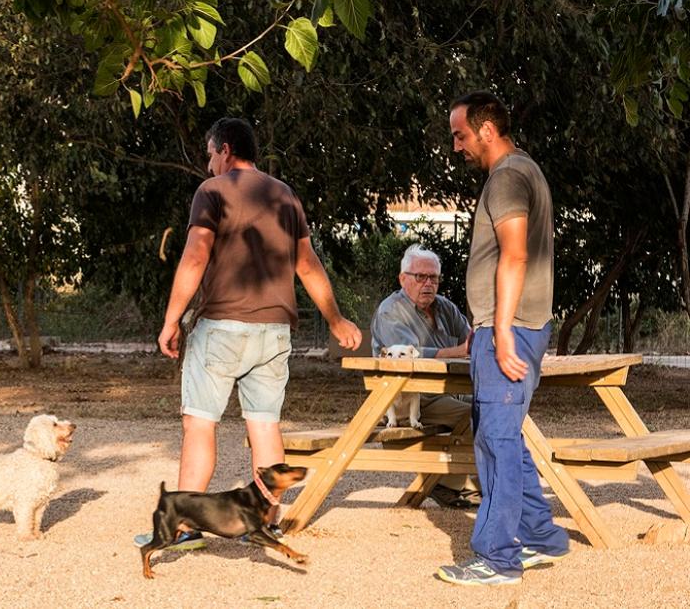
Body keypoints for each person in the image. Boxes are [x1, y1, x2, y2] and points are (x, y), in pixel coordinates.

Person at [136, 117, 362, 551]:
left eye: (209, 155)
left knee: (200, 424)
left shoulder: (212, 192)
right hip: (274, 331)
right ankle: (267, 522)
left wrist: (170, 320)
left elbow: (195, 255)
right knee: (264, 426)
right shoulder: (284, 194)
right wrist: (336, 320)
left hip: (221, 326)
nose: (207, 165)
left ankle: (183, 526)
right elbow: (308, 264)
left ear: (224, 150)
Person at [436, 92, 569, 586]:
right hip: (503, 323)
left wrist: (504, 331)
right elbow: (505, 261)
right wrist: (484, 320)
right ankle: (538, 535)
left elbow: (514, 256)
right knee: (504, 433)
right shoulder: (522, 171)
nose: (457, 147)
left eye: (461, 135)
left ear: (486, 130)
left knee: (494, 439)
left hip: (511, 330)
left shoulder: (508, 177)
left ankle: (497, 558)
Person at [371, 243, 479, 509]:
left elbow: (472, 341)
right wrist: (459, 351)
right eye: (420, 277)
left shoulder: (445, 307)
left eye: (433, 277)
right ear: (403, 278)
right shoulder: (391, 311)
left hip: (446, 391)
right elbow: (411, 359)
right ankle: (450, 485)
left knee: (498, 406)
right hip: (409, 400)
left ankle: (463, 484)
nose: (428, 283)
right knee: (476, 416)